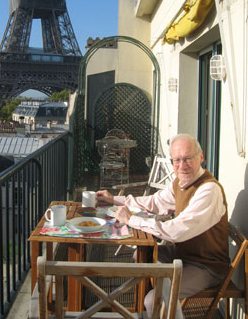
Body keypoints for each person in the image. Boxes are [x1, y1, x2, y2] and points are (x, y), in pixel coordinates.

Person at [96, 134, 229, 317]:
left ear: (201, 157)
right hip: (183, 254)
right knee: (142, 256)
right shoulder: (180, 183)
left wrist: (132, 220)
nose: (182, 166)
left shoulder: (208, 190)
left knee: (152, 300)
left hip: (206, 266)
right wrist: (115, 199)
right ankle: (163, 304)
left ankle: (160, 304)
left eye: (188, 158)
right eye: (177, 160)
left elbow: (176, 232)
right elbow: (154, 203)